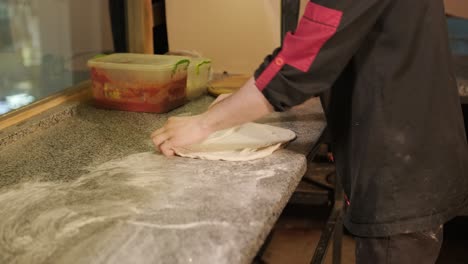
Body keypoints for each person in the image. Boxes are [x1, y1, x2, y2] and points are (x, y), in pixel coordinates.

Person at [152, 0, 468, 263]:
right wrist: (238, 104)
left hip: (399, 172)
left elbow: (301, 63)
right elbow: (343, 46)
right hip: (414, 153)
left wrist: (204, 124)